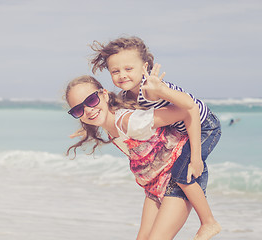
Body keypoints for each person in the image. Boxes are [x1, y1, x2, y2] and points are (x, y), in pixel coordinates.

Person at [87, 36, 222, 239]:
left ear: (145, 67)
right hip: (183, 128)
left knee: (183, 173)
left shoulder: (150, 91)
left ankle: (209, 222)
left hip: (204, 125)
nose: (122, 75)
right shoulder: (126, 96)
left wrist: (196, 156)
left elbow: (191, 109)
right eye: (115, 71)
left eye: (128, 69)